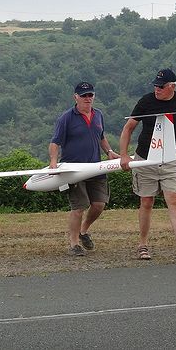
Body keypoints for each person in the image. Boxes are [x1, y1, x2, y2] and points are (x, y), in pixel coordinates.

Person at [118, 68, 176, 262]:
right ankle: (142, 245)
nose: (157, 89)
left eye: (161, 86)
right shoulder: (146, 102)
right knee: (146, 202)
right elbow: (128, 128)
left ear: (172, 86)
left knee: (174, 199)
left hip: (168, 159)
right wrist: (124, 155)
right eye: (155, 86)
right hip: (145, 159)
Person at [49, 81, 120, 256]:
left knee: (99, 204)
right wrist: (53, 161)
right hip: (74, 169)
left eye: (90, 95)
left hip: (95, 167)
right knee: (79, 207)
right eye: (84, 95)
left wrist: (109, 151)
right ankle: (74, 244)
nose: (88, 98)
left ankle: (83, 231)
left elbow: (101, 137)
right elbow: (55, 142)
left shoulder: (99, 115)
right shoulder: (66, 118)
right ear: (76, 97)